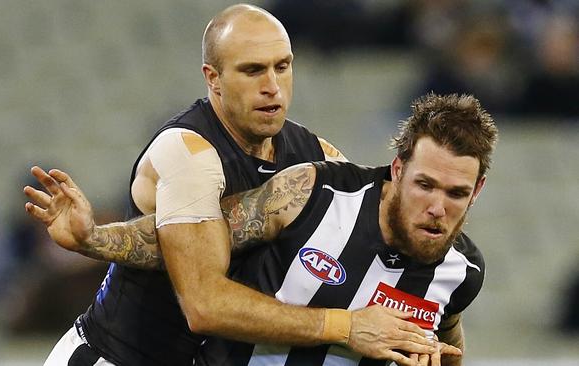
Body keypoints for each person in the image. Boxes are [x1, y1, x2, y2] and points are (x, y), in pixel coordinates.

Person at [25, 4, 442, 366]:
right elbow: (204, 305)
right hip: (117, 358)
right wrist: (346, 326)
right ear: (213, 78)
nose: (272, 86)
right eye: (252, 70)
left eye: (283, 66)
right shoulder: (189, 153)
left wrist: (422, 330)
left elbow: (373, 232)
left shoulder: (316, 156)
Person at [27, 92, 496, 365]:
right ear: (397, 169)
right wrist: (94, 239)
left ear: (476, 192)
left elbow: (444, 335)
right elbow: (187, 240)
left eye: (455, 193)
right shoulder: (315, 193)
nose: (436, 207)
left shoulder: (462, 271)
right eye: (424, 185)